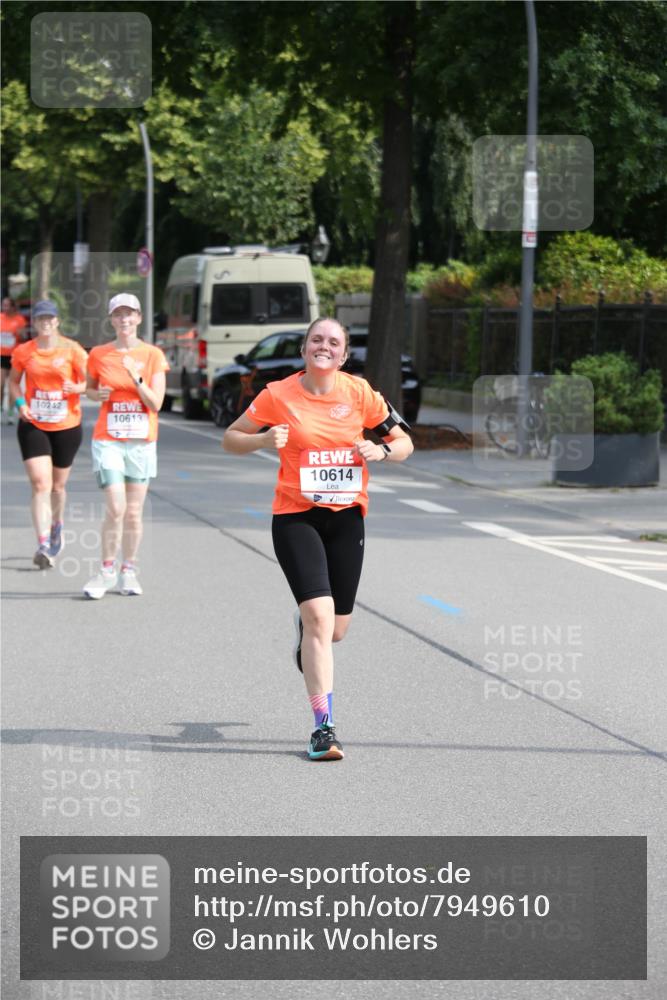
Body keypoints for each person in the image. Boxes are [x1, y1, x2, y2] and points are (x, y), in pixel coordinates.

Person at [223, 317, 414, 761]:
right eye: (316, 340)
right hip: (296, 517)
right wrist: (263, 441)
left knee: (335, 630)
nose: (323, 347)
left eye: (333, 342)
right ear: (304, 349)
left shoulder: (361, 393)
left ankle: (306, 632)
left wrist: (382, 450)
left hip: (346, 519)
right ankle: (323, 729)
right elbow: (231, 439)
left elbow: (404, 442)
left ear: (343, 355)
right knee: (319, 618)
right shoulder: (278, 394)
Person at [83, 293, 169, 599]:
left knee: (133, 512)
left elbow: (156, 403)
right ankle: (106, 570)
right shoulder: (99, 354)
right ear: (111, 319)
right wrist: (96, 395)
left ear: (139, 318)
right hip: (108, 440)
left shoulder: (152, 355)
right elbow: (90, 389)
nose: (124, 319)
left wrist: (136, 377)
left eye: (129, 314)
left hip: (141, 443)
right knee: (116, 507)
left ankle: (128, 570)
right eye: (118, 314)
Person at [9, 299, 87, 568]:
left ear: (57, 321)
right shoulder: (24, 351)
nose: (45, 323)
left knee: (57, 486)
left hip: (67, 425)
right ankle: (43, 543)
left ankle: (56, 525)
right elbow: (13, 382)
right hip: (34, 422)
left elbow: (90, 382)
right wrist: (20, 404)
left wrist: (76, 388)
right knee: (40, 483)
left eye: (49, 319)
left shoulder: (73, 350)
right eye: (40, 319)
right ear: (35, 322)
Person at [1, 296, 28, 423]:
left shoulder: (19, 320)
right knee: (0, 384)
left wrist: (21, 334)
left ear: (12, 307)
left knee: (12, 384)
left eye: (7, 305)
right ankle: (1, 410)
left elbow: (23, 338)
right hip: (1, 355)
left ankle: (11, 412)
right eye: (3, 305)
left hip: (14, 356)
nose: (4, 307)